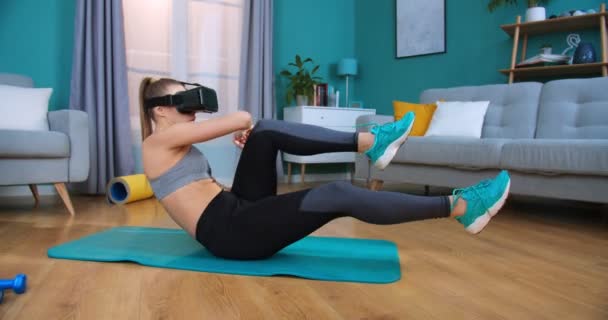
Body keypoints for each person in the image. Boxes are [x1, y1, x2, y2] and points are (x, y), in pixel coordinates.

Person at [139, 78, 511, 260]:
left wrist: (250, 144)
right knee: (335, 193)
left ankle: (370, 143)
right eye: (182, 101)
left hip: (233, 208)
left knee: (265, 133)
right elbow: (241, 116)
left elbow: (198, 190)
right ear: (159, 110)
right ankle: (461, 207)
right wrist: (240, 126)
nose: (190, 108)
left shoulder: (177, 145)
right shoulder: (155, 143)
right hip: (230, 233)